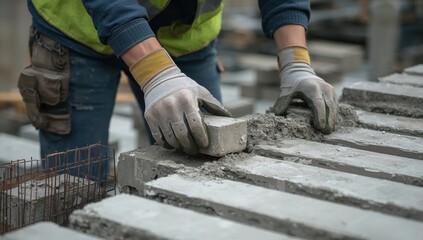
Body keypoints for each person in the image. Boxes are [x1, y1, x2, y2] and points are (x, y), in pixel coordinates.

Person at [20, 0, 338, 164]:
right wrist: (156, 72)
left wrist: (295, 61)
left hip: (184, 37)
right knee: (75, 185)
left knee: (205, 163)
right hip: (78, 32)